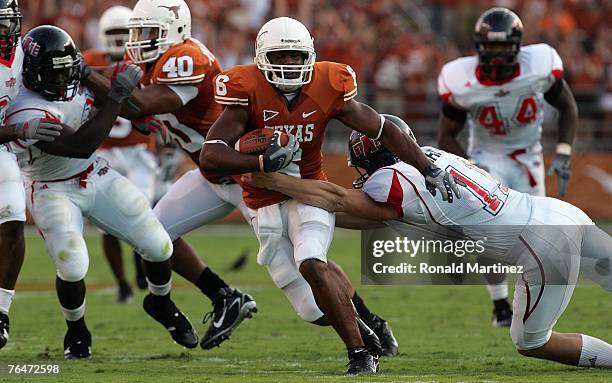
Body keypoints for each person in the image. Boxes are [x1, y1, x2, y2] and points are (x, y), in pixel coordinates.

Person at [200, 16, 462, 375]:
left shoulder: (329, 82)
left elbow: (382, 127)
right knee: (312, 310)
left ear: (310, 55)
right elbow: (210, 155)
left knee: (312, 261)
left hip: (311, 192)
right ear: (262, 57)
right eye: (281, 56)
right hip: (262, 200)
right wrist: (258, 159)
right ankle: (368, 329)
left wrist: (426, 167)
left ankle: (359, 354)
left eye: (297, 56)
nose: (291, 64)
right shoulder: (245, 88)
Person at [247, 114, 612, 370]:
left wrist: (275, 183)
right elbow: (360, 214)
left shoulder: (390, 179)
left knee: (531, 342)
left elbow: (341, 202)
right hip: (559, 212)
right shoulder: (435, 158)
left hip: (541, 246)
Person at [5, 25, 196, 358]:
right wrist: (118, 97)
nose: (62, 81)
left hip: (94, 173)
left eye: (67, 71)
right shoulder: (26, 107)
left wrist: (128, 99)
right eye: (53, 74)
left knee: (158, 244)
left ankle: (161, 303)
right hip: (50, 187)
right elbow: (81, 144)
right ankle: (76, 328)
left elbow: (107, 84)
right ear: (33, 74)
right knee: (73, 265)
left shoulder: (75, 74)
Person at [83, 0, 258, 350]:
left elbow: (139, 104)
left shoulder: (184, 58)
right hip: (210, 175)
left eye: (148, 32)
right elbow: (141, 107)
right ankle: (222, 295)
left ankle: (365, 325)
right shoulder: (152, 62)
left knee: (296, 269)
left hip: (244, 173)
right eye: (138, 32)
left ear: (174, 31)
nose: (138, 40)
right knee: (153, 236)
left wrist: (85, 73)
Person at [437, 8, 579, 326]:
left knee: (537, 236)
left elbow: (567, 105)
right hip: (486, 157)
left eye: (503, 47)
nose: (497, 54)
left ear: (517, 45)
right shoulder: (463, 80)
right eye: (492, 47)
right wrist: (471, 168)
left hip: (529, 156)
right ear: (479, 46)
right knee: (490, 230)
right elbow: (446, 135)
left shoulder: (539, 66)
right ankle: (500, 304)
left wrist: (564, 151)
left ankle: (527, 305)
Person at [0, 0, 63, 349]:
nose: (6, 31)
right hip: (5, 138)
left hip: (0, 150)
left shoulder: (19, 54)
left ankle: (0, 312)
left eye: (8, 23)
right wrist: (19, 130)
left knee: (12, 217)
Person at [83, 5, 156, 304]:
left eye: (123, 33)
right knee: (107, 224)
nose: (118, 39)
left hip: (138, 150)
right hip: (106, 152)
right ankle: (123, 283)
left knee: (143, 214)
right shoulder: (89, 61)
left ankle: (141, 265)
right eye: (113, 33)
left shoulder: (144, 61)